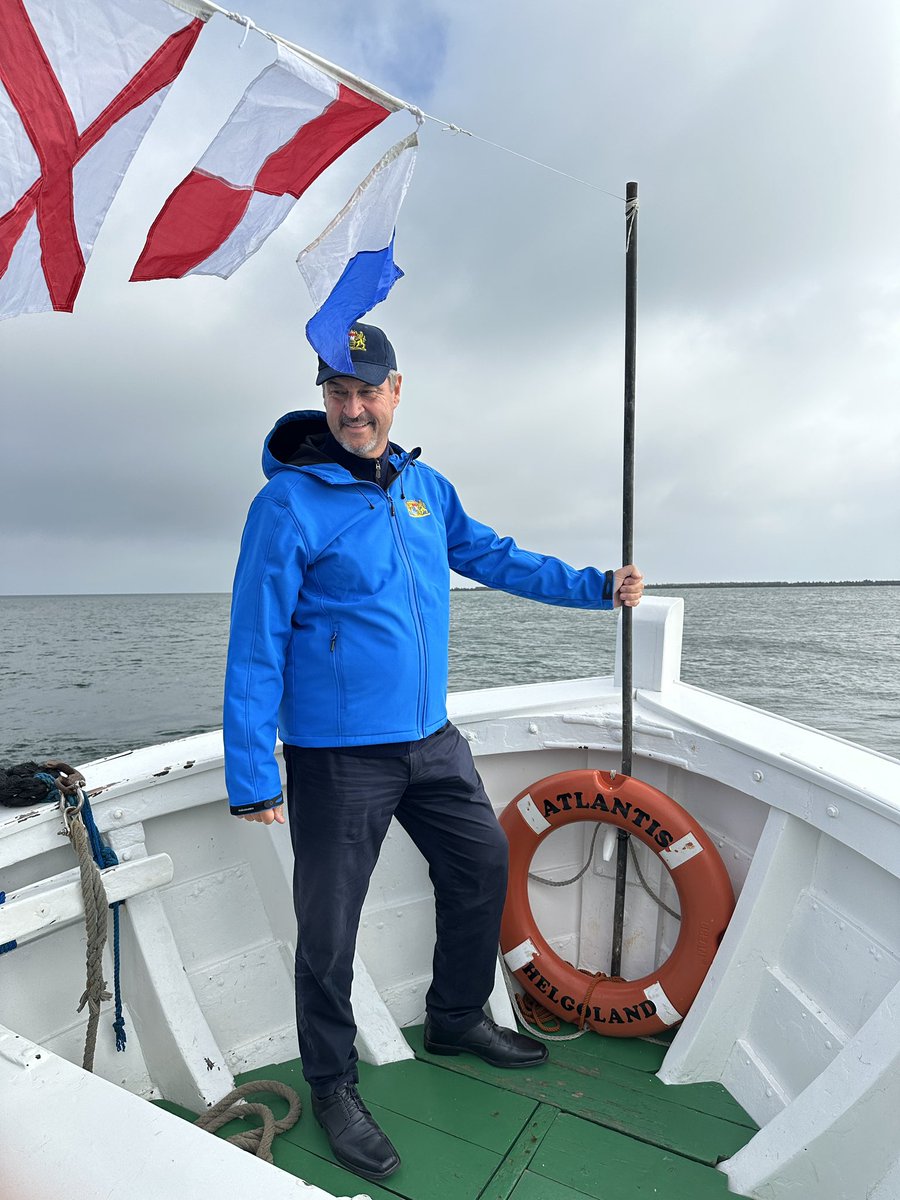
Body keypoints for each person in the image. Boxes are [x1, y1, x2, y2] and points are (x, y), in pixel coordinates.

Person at [223, 322, 644, 1183]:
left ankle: (456, 1016)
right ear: (324, 396)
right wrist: (251, 770)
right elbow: (254, 642)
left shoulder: (425, 489)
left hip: (430, 740)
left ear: (397, 390)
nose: (352, 408)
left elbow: (495, 557)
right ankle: (334, 1084)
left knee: (482, 862)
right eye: (336, 392)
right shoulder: (288, 504)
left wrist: (597, 588)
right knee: (329, 929)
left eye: (366, 391)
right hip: (338, 757)